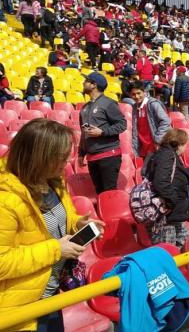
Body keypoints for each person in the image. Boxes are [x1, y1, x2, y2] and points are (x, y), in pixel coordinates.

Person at [0, 118, 105, 331]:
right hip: (22, 308)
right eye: (60, 158)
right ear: (39, 157)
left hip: (50, 294)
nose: (66, 164)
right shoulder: (6, 201)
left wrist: (77, 224)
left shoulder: (53, 181)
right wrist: (57, 250)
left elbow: (52, 225)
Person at [78, 72, 127, 194]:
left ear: (94, 85)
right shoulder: (84, 108)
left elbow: (122, 125)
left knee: (109, 194)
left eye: (86, 81)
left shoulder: (108, 103)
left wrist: (103, 132)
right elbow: (83, 133)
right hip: (92, 157)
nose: (83, 83)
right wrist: (81, 153)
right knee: (99, 192)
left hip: (108, 156)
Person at [143, 128, 189, 248]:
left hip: (173, 214)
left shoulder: (166, 154)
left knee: (185, 245)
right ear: (179, 144)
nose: (185, 148)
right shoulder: (166, 155)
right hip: (166, 216)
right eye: (185, 145)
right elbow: (161, 183)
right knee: (168, 252)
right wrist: (173, 201)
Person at [130, 80, 171, 158]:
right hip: (144, 147)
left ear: (144, 92)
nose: (136, 96)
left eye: (139, 93)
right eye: (133, 94)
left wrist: (158, 140)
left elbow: (165, 121)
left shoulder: (153, 104)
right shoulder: (135, 107)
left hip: (155, 146)